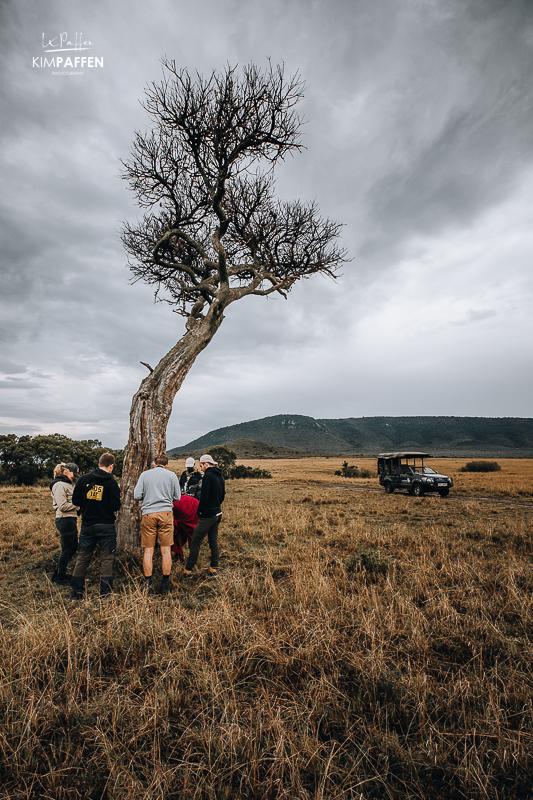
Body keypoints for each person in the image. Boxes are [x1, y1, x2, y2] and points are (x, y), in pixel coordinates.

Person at [70, 452, 121, 600]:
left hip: (87, 525)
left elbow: (75, 501)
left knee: (83, 557)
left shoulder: (84, 479)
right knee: (106, 559)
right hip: (106, 525)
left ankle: (76, 592)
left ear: (99, 464)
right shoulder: (111, 483)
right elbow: (115, 506)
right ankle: (105, 594)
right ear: (111, 466)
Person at [134, 454, 181, 594]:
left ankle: (148, 583)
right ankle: (165, 584)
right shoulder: (172, 475)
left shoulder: (144, 475)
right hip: (166, 514)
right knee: (166, 550)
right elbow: (177, 497)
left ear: (154, 463)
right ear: (166, 465)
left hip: (149, 514)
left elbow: (137, 495)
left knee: (148, 550)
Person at [183, 454, 225, 580]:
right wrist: (216, 505)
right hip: (218, 513)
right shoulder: (220, 475)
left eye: (201, 465)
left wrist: (200, 511)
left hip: (208, 515)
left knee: (195, 540)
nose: (200, 468)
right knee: (213, 541)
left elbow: (204, 496)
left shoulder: (207, 476)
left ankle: (188, 570)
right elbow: (223, 494)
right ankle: (213, 569)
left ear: (206, 464)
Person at [49, 462, 80, 585]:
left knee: (72, 548)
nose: (74, 476)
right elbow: (62, 506)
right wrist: (79, 503)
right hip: (64, 519)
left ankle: (57, 574)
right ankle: (61, 578)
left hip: (70, 519)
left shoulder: (66, 485)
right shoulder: (59, 485)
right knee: (67, 549)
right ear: (66, 471)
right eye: (73, 474)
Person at [172, 494, 199, 562]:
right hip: (181, 508)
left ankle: (193, 558)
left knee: (192, 534)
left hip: (192, 508)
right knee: (178, 531)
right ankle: (179, 554)